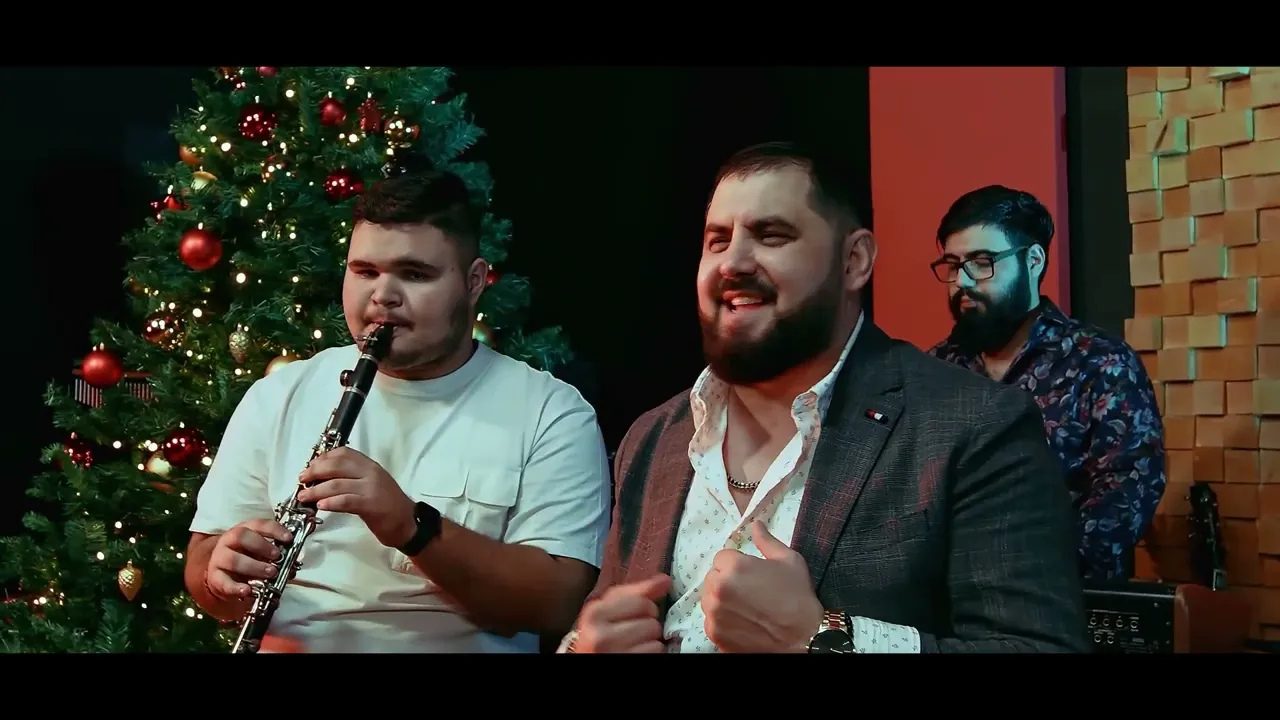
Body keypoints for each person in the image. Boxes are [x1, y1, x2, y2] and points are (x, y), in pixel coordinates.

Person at [560, 142, 1087, 654]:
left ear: (854, 260)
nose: (732, 263)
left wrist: (817, 638)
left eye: (771, 235)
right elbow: (596, 622)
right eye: (717, 241)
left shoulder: (975, 427)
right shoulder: (654, 438)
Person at [183, 162, 611, 653]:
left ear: (474, 281)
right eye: (365, 271)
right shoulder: (279, 394)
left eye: (415, 274)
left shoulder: (552, 413)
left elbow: (557, 604)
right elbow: (203, 570)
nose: (383, 296)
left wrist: (411, 526)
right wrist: (220, 574)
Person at [927, 185, 1165, 580]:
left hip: (1066, 598)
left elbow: (1129, 486)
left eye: (982, 262)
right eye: (953, 265)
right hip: (947, 600)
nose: (962, 281)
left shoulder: (1099, 362)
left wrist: (1034, 573)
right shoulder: (936, 369)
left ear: (1033, 260)